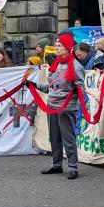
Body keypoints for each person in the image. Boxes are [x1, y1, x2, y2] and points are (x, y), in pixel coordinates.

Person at [35, 33, 85, 180]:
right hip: (52, 106)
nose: (56, 48)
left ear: (67, 48)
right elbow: (51, 87)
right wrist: (35, 86)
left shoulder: (76, 66)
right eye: (56, 45)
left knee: (68, 138)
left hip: (67, 107)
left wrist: (76, 91)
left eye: (59, 45)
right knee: (54, 137)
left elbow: (80, 88)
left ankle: (72, 167)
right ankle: (56, 164)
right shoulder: (55, 64)